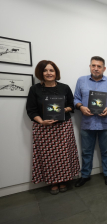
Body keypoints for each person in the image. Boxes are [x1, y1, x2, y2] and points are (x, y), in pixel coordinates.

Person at [26, 60, 80, 195]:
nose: (49, 73)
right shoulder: (34, 89)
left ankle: (64, 180)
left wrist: (62, 109)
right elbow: (31, 111)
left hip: (63, 127)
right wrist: (42, 122)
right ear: (40, 73)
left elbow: (72, 106)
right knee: (48, 158)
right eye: (45, 70)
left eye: (51, 70)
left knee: (64, 156)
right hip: (43, 129)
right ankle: (53, 182)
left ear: (56, 72)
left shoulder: (64, 88)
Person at [74, 56, 107, 187]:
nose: (96, 68)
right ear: (90, 66)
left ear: (104, 68)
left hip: (105, 123)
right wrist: (80, 107)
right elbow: (75, 99)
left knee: (106, 151)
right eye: (93, 65)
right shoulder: (81, 81)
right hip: (87, 123)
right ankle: (85, 175)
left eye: (99, 66)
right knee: (86, 151)